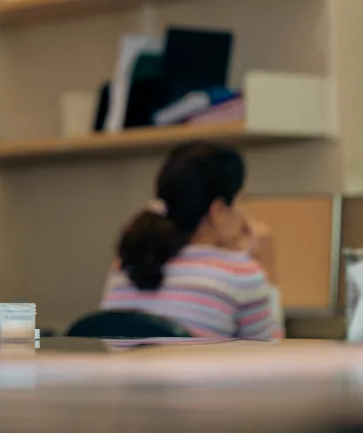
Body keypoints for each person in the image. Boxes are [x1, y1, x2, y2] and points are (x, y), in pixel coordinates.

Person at [100, 142, 283, 340]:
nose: (246, 216)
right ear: (219, 211)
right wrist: (268, 271)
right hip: (196, 372)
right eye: (242, 201)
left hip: (123, 372)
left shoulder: (127, 261)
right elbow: (270, 356)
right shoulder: (241, 273)